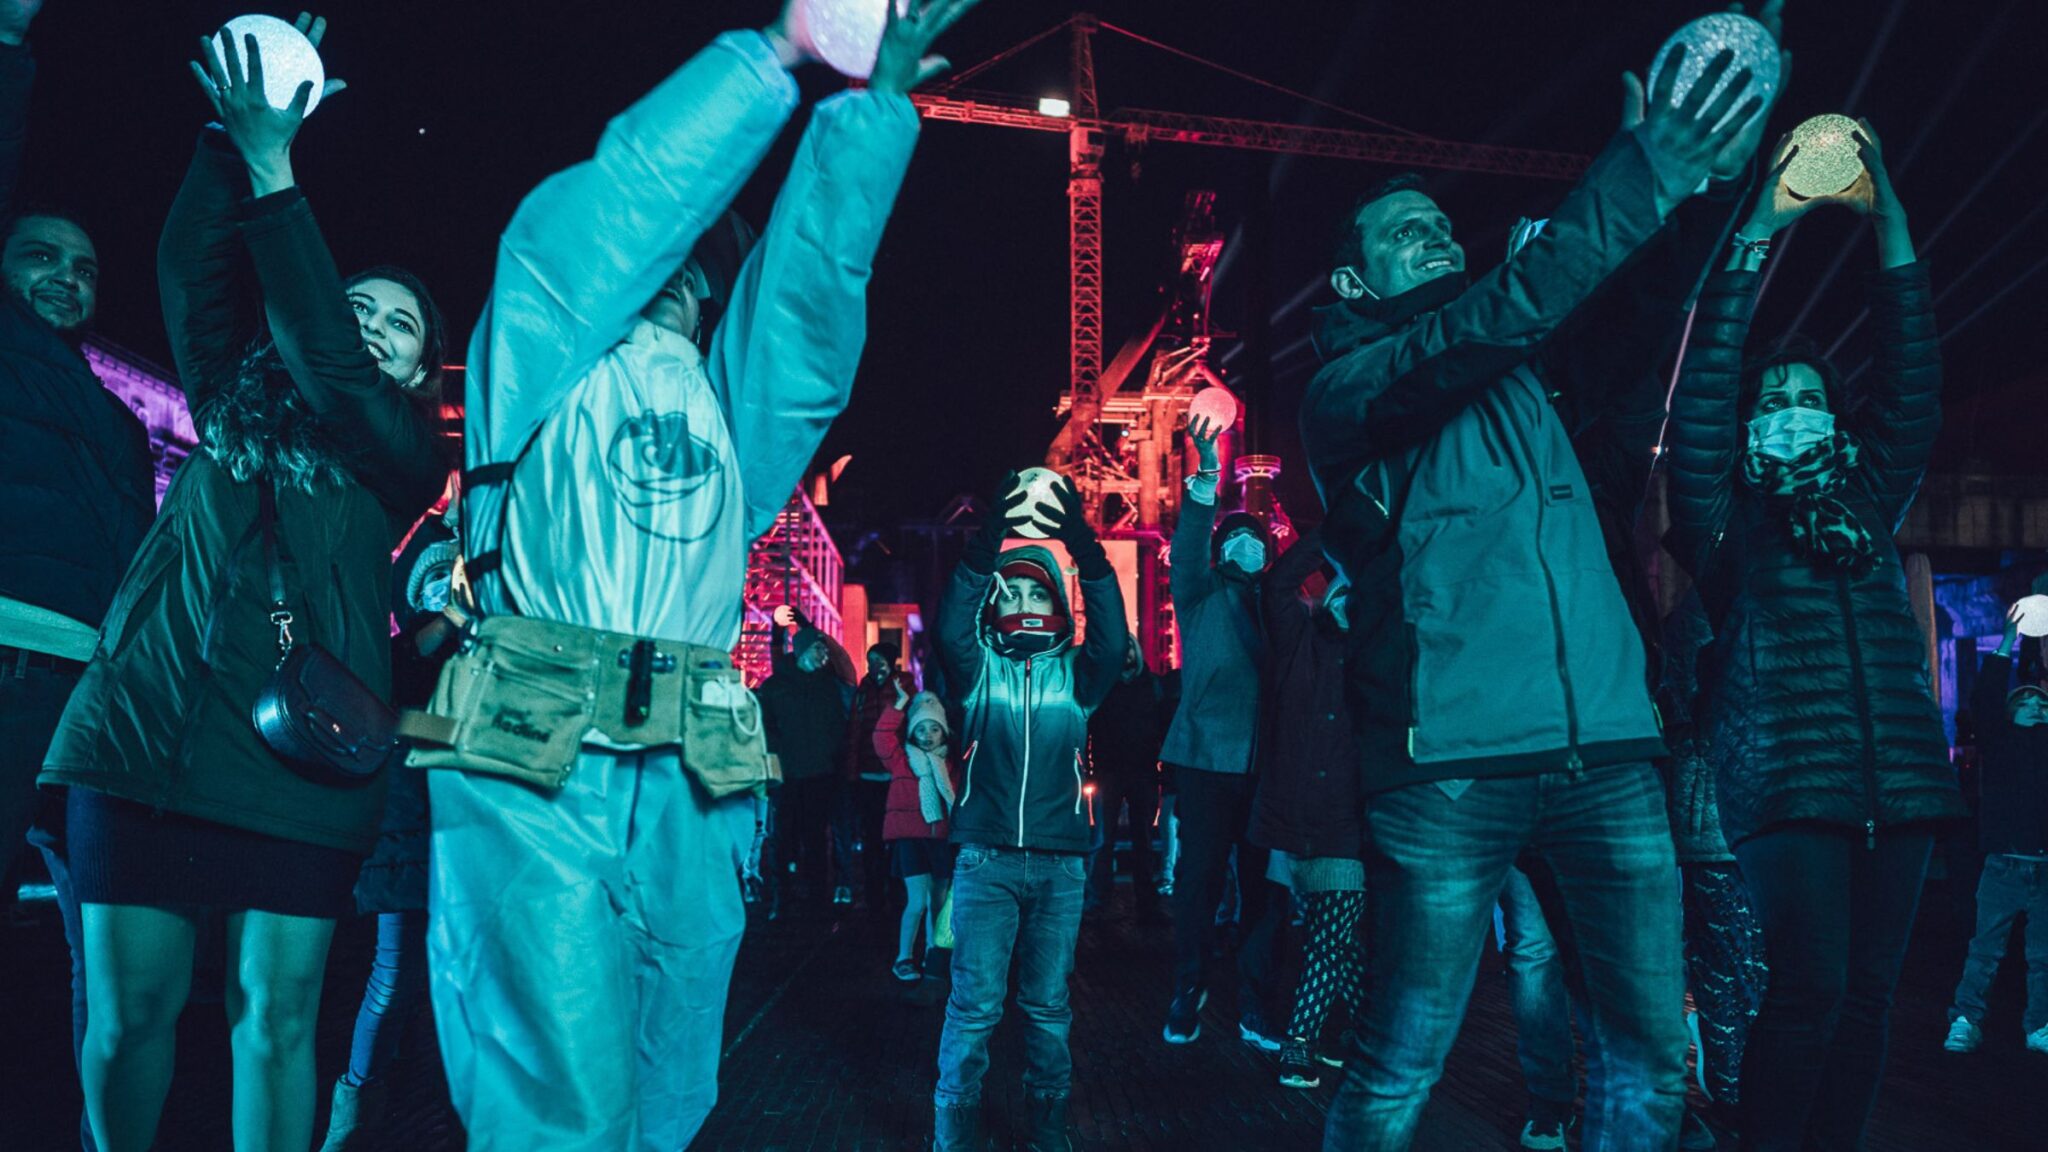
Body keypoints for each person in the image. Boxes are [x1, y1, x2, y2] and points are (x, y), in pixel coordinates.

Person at [427, 2, 970, 1147]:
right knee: (549, 1072)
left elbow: (811, 307)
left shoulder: (724, 405)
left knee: (675, 1062)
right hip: (535, 712)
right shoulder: (536, 339)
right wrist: (778, 55)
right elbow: (619, 199)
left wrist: (874, 115)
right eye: (661, 253)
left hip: (694, 737)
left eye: (696, 264)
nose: (673, 267)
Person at [1299, 24, 1777, 1149]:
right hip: (1450, 770)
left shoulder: (1537, 377)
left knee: (1646, 1058)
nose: (1431, 237)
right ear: (1352, 275)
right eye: (1401, 232)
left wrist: (1697, 187)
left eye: (1436, 224)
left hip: (1606, 750)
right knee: (1400, 1059)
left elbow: (1634, 307)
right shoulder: (1350, 390)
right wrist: (1637, 174)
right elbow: (1498, 315)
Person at [38, 18, 448, 1151]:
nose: (370, 324)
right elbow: (188, 268)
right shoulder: (228, 401)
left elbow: (327, 358)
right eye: (357, 302)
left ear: (416, 372)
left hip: (302, 753)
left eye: (397, 324)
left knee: (273, 1022)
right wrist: (234, 137)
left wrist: (279, 171)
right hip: (148, 735)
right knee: (126, 1022)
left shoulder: (398, 454)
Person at [1662, 119, 1966, 1151]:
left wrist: (1891, 220)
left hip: (1903, 785)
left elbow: (1910, 372)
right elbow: (1705, 377)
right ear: (1747, 429)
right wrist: (1755, 230)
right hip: (1788, 785)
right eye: (1771, 402)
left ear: (1835, 423)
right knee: (1809, 990)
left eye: (1806, 399)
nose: (1787, 409)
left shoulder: (1868, 501)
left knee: (1869, 1000)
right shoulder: (1719, 520)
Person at [0, 3, 156, 1147]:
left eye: (83, 267)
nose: (65, 277)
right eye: (37, 257)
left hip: (85, 693)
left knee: (101, 940)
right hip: (9, 660)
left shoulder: (108, 412)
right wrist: (12, 48)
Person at [932, 474, 1128, 1152]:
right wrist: (991, 538)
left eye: (1034, 589)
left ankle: (1049, 1132)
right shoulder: (974, 672)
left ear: (1056, 599)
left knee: (1047, 1011)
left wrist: (1081, 545)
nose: (1020, 599)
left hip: (1061, 867)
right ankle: (954, 1136)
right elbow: (953, 621)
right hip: (984, 863)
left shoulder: (1079, 677)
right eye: (1008, 591)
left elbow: (1112, 636)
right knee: (975, 1009)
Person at [319, 481, 463, 1152]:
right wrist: (459, 617)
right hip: (415, 813)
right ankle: (356, 1115)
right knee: (397, 971)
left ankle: (431, 1111)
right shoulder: (405, 638)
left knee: (438, 975)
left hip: (455, 812)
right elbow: (410, 660)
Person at [1161, 412, 1287, 1051]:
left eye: (1256, 540)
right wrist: (1207, 476)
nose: (1248, 546)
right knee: (1198, 886)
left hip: (1265, 766)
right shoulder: (1198, 595)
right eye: (1236, 539)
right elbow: (1188, 542)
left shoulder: (1282, 607)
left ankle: (1256, 1002)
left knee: (1265, 891)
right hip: (1208, 763)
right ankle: (1189, 987)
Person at [1246, 525, 1368, 1090]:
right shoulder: (1298, 639)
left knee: (1327, 932)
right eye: (1342, 594)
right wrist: (1338, 529)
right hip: (1295, 813)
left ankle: (1299, 1041)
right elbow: (1278, 586)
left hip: (1348, 818)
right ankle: (1370, 1032)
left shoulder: (1377, 663)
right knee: (1335, 939)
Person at [1942, 602, 2048, 1055]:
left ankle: (2039, 1026)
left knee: (2044, 959)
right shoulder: (1999, 742)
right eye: (2025, 701)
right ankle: (1966, 1020)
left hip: (2045, 868)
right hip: (2003, 865)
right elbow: (1985, 698)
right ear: (2010, 713)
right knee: (1985, 951)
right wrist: (2009, 639)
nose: (2035, 705)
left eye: (2041, 701)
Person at [760, 612, 856, 906]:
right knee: (784, 838)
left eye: (824, 649)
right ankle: (782, 896)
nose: (825, 653)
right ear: (802, 651)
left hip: (820, 774)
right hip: (789, 773)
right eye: (818, 648)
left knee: (815, 839)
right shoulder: (778, 685)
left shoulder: (828, 685)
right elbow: (766, 727)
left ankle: (816, 897)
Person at [1084, 634, 1170, 923]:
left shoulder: (1121, 686)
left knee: (1128, 840)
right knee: (1109, 840)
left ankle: (1110, 902)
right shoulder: (1148, 685)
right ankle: (1113, 902)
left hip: (1136, 771)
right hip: (1119, 770)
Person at [876, 684, 959, 980]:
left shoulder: (949, 766)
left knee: (938, 900)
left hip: (940, 840)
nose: (927, 735)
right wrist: (899, 705)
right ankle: (904, 956)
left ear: (944, 732)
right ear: (912, 732)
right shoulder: (903, 762)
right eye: (921, 728)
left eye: (934, 729)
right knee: (918, 901)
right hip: (911, 840)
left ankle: (932, 955)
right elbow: (882, 739)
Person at [847, 641, 914, 908]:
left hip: (892, 776)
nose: (873, 666)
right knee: (871, 835)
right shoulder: (863, 689)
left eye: (879, 660)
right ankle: (875, 893)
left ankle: (895, 890)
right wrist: (852, 772)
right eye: (870, 660)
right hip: (867, 775)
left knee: (895, 837)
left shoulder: (904, 686)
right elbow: (855, 732)